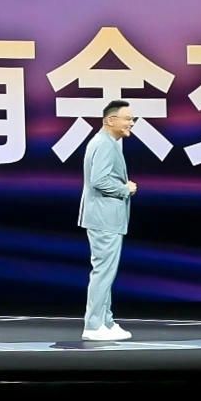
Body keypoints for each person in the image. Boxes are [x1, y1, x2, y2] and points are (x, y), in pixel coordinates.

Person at [79, 98, 138, 342]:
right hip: (104, 218)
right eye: (128, 119)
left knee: (106, 272)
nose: (132, 123)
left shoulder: (107, 142)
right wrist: (125, 189)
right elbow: (99, 180)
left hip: (105, 217)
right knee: (103, 272)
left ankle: (106, 321)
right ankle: (94, 325)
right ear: (110, 120)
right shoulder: (104, 144)